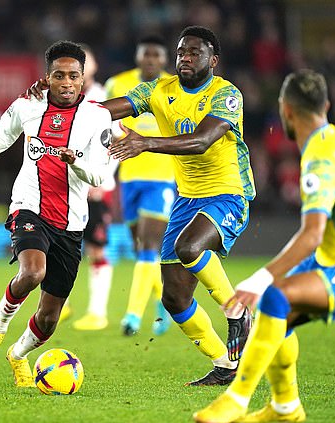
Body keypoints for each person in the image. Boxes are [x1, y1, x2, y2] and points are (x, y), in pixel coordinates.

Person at [28, 26, 254, 385]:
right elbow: (105, 111)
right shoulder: (159, 90)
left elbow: (201, 141)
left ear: (214, 61)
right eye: (181, 52)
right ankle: (226, 364)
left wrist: (147, 142)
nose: (186, 58)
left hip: (229, 192)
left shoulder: (226, 94)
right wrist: (57, 100)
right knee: (175, 299)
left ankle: (238, 310)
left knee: (188, 246)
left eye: (194, 53)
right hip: (186, 198)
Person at [193, 69, 335, 422]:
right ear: (325, 105)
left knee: (274, 296)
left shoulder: (319, 159)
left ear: (286, 110)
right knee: (276, 314)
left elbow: (311, 235)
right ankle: (286, 408)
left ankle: (237, 399)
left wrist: (258, 278)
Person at [0, 40, 114, 387]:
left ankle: (18, 354)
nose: (66, 83)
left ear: (83, 80)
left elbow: (100, 174)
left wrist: (75, 161)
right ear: (47, 77)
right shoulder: (28, 104)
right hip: (29, 206)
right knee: (33, 272)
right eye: (59, 75)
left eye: (73, 76)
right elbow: (0, 138)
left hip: (72, 221)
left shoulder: (99, 116)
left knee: (49, 319)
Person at [77, 35, 176, 336]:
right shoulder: (118, 84)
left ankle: (132, 316)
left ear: (163, 59)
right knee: (141, 250)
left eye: (156, 55)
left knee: (148, 245)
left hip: (162, 177)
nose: (150, 60)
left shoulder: (175, 87)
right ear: (137, 56)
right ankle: (164, 301)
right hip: (129, 178)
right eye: (145, 54)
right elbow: (101, 129)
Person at [62, 44, 117, 330]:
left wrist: (103, 178)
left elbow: (115, 140)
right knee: (61, 245)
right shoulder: (62, 100)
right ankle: (62, 303)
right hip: (67, 185)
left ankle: (98, 311)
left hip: (95, 187)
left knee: (96, 248)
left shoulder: (103, 98)